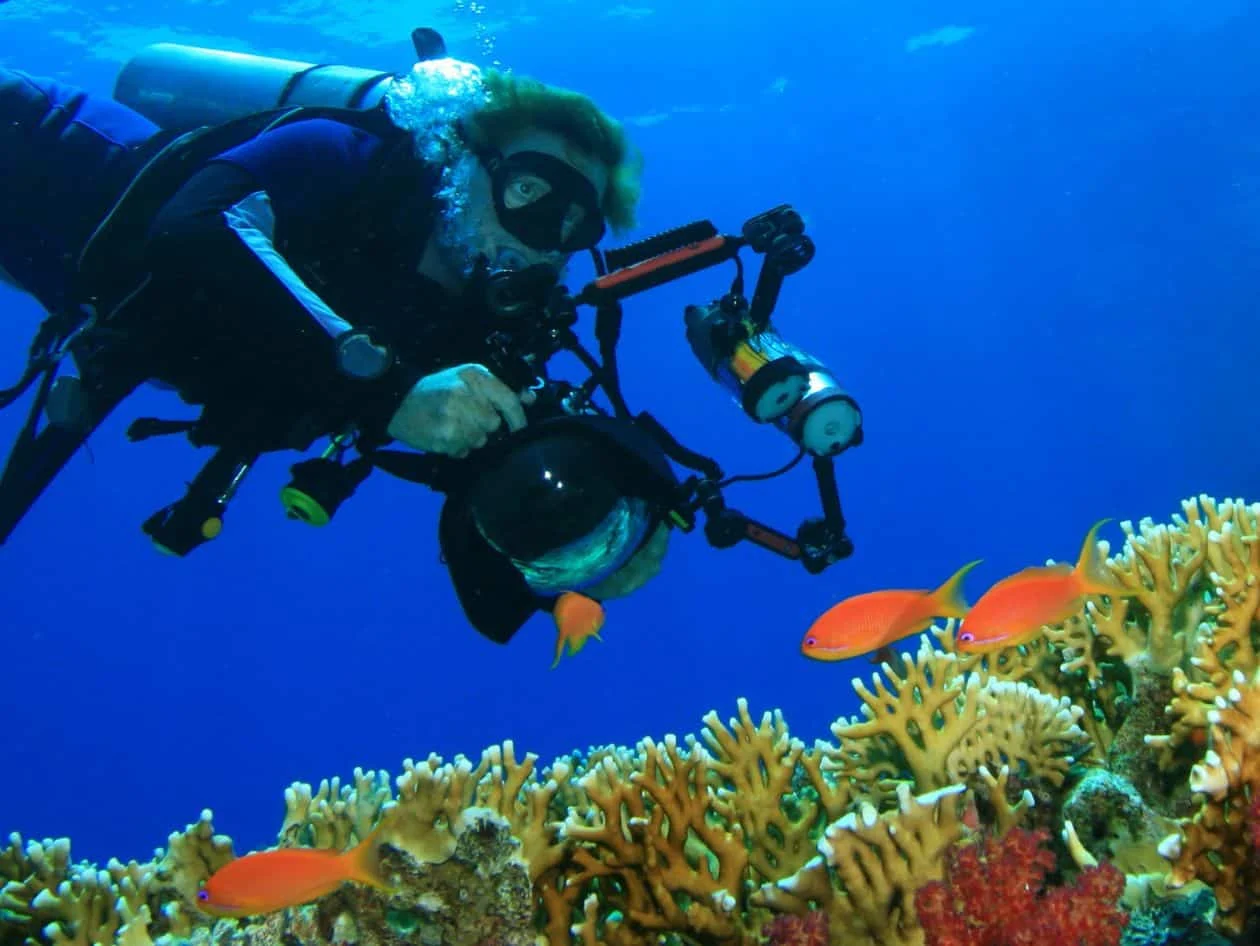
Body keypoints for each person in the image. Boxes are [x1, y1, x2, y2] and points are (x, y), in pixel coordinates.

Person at [0, 50, 678, 645]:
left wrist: (611, 543)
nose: (539, 236)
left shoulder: (473, 333)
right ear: (466, 161)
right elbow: (194, 229)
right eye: (528, 190)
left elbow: (505, 480)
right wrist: (387, 392)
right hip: (51, 151)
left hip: (70, 285)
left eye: (570, 223)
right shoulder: (341, 157)